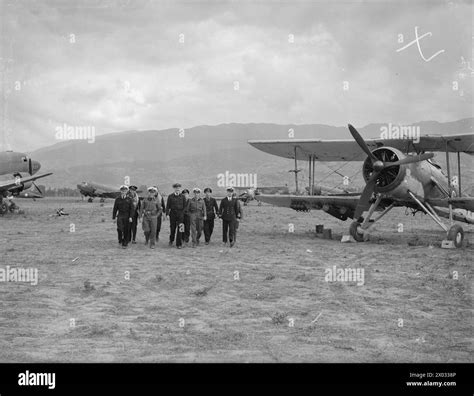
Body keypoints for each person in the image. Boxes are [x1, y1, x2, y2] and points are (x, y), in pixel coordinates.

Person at [166, 183, 187, 249]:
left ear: (180, 188)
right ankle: (171, 240)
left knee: (180, 229)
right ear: (174, 189)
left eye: (178, 188)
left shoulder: (183, 196)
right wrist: (167, 214)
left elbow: (185, 206)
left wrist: (182, 213)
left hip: (180, 214)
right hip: (173, 213)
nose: (177, 189)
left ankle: (179, 243)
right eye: (176, 188)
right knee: (172, 228)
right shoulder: (170, 196)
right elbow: (167, 206)